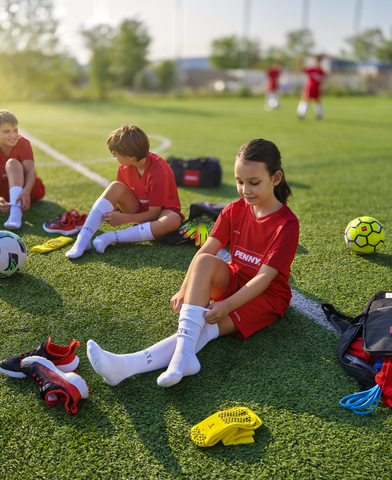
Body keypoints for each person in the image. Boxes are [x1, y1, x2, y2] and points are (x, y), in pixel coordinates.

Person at [86, 138, 299, 388]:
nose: (245, 190)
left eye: (254, 183)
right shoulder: (234, 210)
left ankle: (125, 366)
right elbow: (204, 253)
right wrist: (184, 288)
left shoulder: (287, 224)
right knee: (206, 260)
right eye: (240, 182)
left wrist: (227, 305)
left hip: (266, 297)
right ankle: (183, 359)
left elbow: (264, 279)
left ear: (276, 178)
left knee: (206, 326)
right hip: (235, 280)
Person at [66, 125, 184, 258]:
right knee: (116, 186)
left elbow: (153, 214)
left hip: (158, 216)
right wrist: (106, 213)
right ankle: (82, 240)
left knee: (173, 220)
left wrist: (124, 219)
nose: (114, 156)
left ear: (130, 155)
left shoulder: (158, 170)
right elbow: (120, 197)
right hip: (138, 211)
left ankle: (112, 237)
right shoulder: (124, 167)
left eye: (116, 153)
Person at [297, 55, 326, 120]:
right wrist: (300, 61)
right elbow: (301, 69)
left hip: (317, 89)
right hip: (309, 88)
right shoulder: (311, 69)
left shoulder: (321, 71)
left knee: (317, 102)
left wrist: (322, 87)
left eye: (318, 61)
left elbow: (323, 80)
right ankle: (301, 114)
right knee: (306, 100)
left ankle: (319, 115)